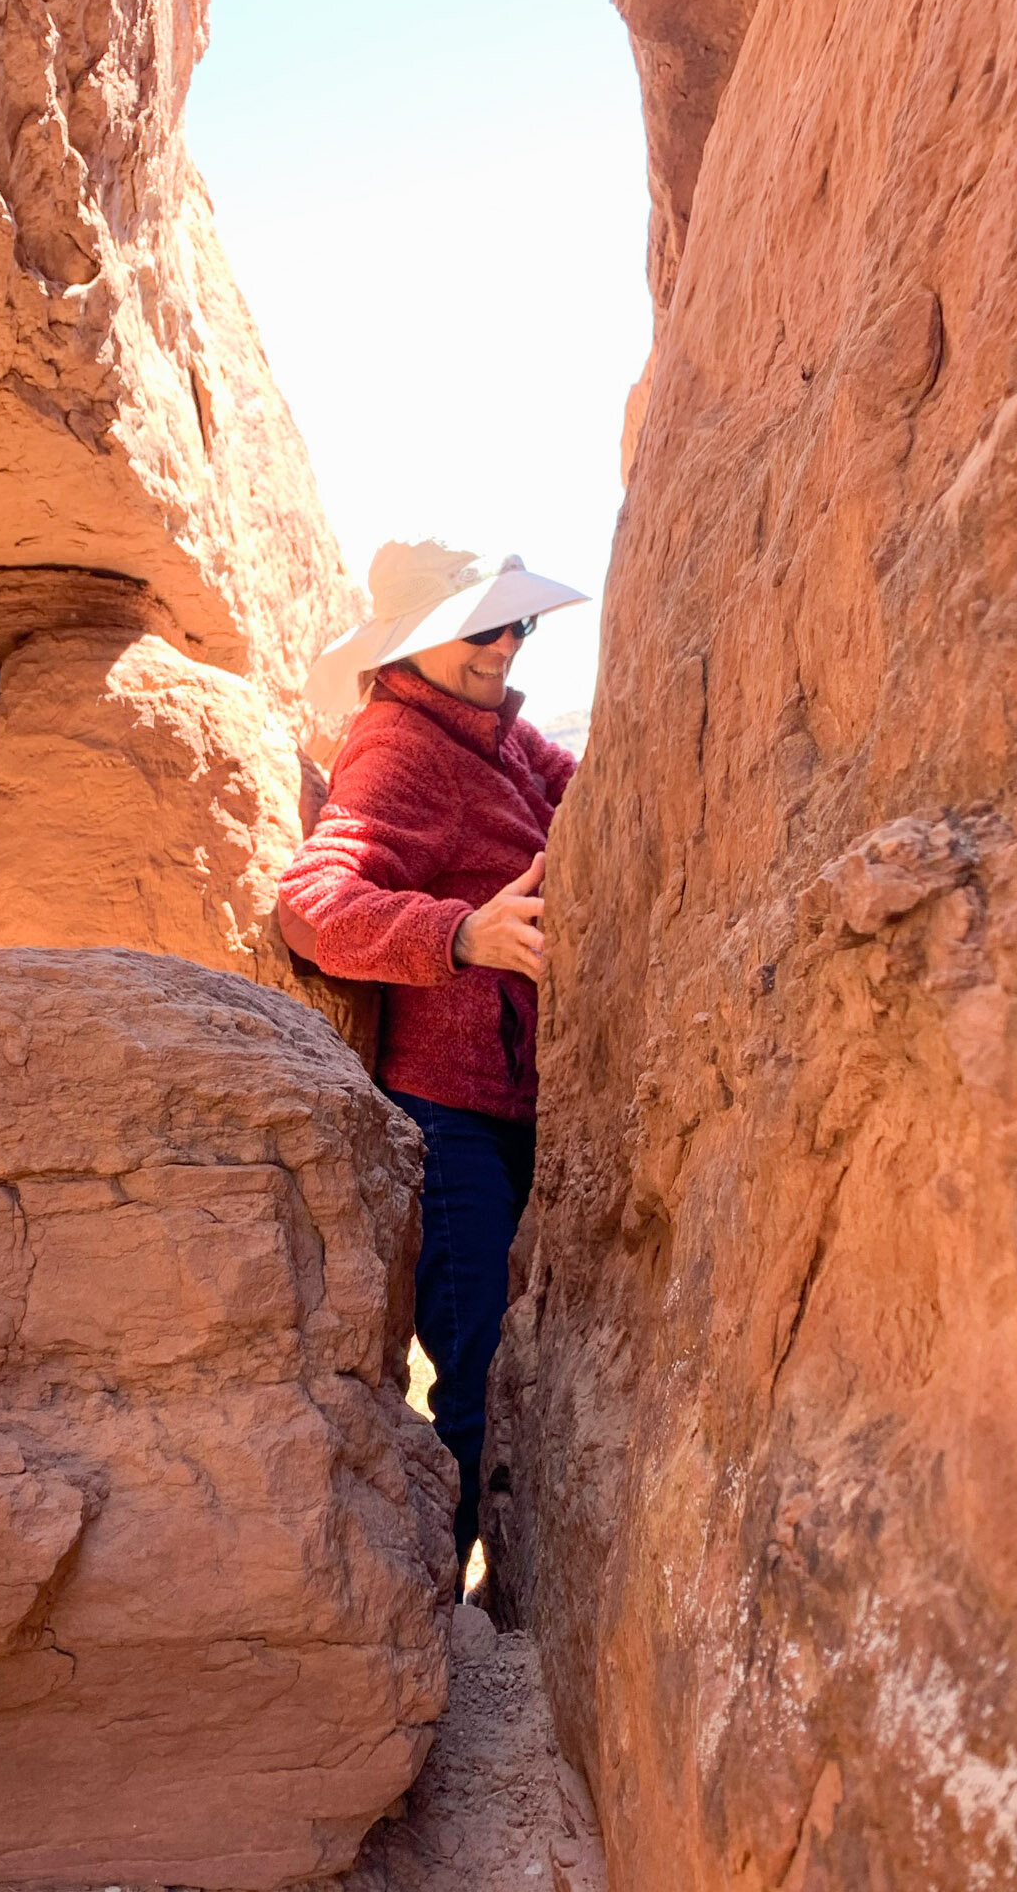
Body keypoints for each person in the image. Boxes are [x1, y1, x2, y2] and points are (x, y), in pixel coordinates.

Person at [278, 539, 588, 1578]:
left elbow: (589, 794)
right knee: (477, 1368)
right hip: (447, 1113)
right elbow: (314, 905)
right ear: (418, 644)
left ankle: (500, 1598)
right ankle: (439, 1621)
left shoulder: (502, 738)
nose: (507, 643)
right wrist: (464, 933)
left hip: (519, 1102)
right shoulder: (401, 743)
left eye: (519, 624)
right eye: (483, 627)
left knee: (522, 1363)